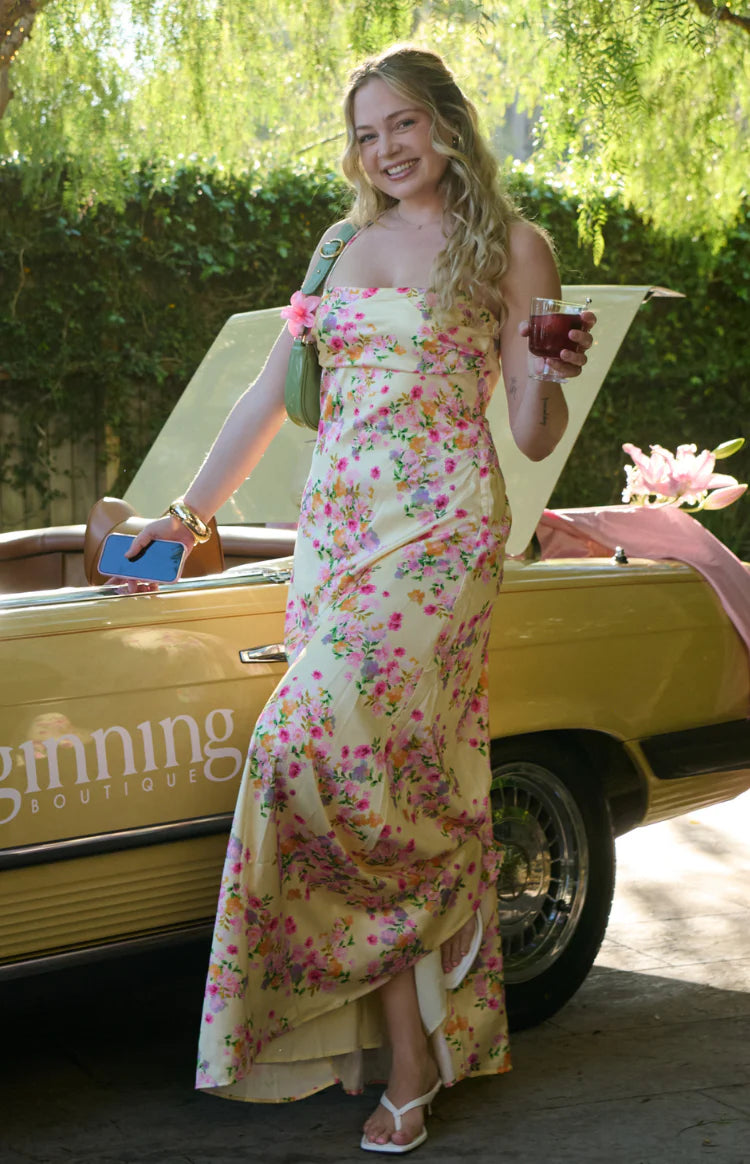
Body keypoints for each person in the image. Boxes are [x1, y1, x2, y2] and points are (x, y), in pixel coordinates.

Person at [126, 45, 595, 1154]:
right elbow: (269, 396)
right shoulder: (338, 244)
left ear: (447, 124)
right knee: (381, 785)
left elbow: (531, 433)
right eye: (367, 132)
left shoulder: (512, 246)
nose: (385, 150)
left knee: (307, 750)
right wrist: (185, 516)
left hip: (438, 540)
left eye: (403, 126)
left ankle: (408, 1051)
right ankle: (405, 1043)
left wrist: (549, 376)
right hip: (334, 541)